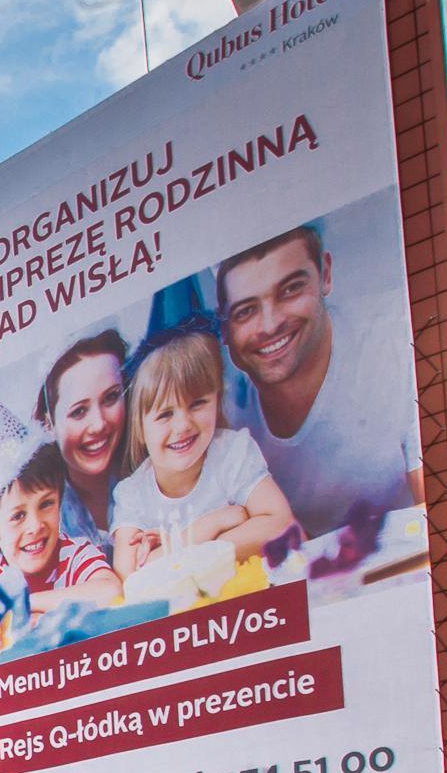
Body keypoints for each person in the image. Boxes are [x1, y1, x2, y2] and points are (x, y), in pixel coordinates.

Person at [216, 222, 423, 531]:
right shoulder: (219, 406)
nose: (270, 325)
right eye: (246, 311)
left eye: (290, 290)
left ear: (325, 274)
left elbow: (444, 518)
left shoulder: (395, 348)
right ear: (224, 329)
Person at [110, 327, 297, 575]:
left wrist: (174, 553)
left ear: (216, 402)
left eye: (197, 404)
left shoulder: (231, 452)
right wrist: (208, 526)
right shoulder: (132, 493)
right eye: (165, 414)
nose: (183, 425)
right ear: (140, 431)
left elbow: (282, 526)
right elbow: (129, 574)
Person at [0, 443, 117, 623]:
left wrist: (25, 603)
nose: (35, 526)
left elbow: (111, 593)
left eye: (46, 504)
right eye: (18, 516)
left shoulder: (75, 553)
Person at [30, 330, 130, 549]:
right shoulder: (37, 516)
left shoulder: (155, 470)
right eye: (78, 411)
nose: (99, 424)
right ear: (49, 424)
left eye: (111, 397)